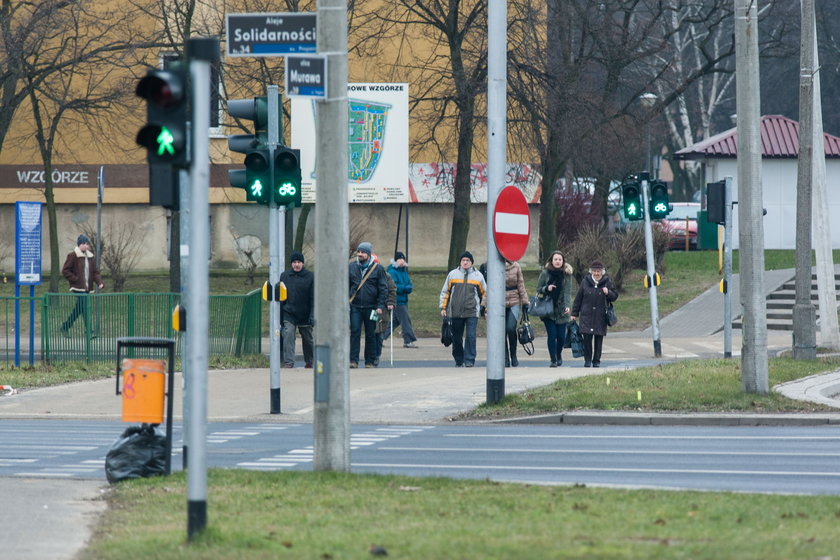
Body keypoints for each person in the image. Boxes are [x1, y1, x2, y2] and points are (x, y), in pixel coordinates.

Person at [439, 251, 486, 367]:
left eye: (468, 260)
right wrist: (443, 307)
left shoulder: (478, 276)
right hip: (455, 312)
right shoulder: (453, 275)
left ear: (472, 263)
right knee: (457, 338)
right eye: (463, 260)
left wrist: (485, 309)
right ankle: (459, 359)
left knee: (471, 337)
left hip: (472, 312)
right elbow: (445, 292)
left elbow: (485, 294)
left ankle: (470, 359)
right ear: (460, 262)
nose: (465, 262)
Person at [571, 260, 618, 368]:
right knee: (587, 339)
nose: (597, 273)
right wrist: (574, 313)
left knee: (598, 340)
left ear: (602, 272)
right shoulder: (585, 282)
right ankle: (587, 360)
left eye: (599, 271)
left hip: (600, 316)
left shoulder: (607, 282)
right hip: (586, 315)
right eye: (594, 271)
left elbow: (615, 296)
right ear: (591, 272)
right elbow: (578, 299)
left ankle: (596, 361)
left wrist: (608, 292)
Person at [348, 242, 388, 368]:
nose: (359, 254)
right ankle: (353, 360)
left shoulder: (378, 269)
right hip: (355, 306)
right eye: (358, 252)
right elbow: (346, 284)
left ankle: (369, 361)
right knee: (355, 332)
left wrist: (380, 306)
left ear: (368, 254)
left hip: (372, 307)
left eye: (362, 252)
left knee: (371, 334)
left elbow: (383, 288)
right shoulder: (351, 267)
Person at [535, 250, 574, 367]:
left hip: (561, 309)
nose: (557, 261)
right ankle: (553, 359)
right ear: (551, 261)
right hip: (548, 309)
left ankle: (558, 354)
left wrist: (568, 306)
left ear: (563, 261)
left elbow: (568, 292)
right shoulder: (545, 273)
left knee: (561, 337)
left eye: (560, 259)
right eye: (555, 259)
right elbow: (538, 289)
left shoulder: (567, 275)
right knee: (552, 336)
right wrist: (547, 288)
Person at [60, 234, 104, 335]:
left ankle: (65, 327)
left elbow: (95, 272)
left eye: (87, 243)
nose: (86, 245)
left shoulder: (90, 257)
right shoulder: (73, 255)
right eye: (84, 243)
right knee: (84, 307)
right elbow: (65, 270)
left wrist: (99, 283)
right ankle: (89, 330)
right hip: (77, 287)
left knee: (79, 308)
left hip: (87, 288)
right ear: (79, 244)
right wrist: (75, 279)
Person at [279, 251, 314, 369]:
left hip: (305, 312)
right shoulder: (284, 276)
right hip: (289, 312)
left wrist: (312, 315)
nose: (296, 265)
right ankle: (289, 361)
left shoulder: (310, 276)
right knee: (288, 334)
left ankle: (310, 360)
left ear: (303, 263)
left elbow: (313, 298)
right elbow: (281, 297)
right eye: (294, 262)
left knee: (308, 339)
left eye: (299, 262)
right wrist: (280, 316)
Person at [384, 251, 418, 348]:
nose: (402, 261)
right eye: (399, 259)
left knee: (395, 321)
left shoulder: (404, 272)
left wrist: (409, 288)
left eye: (403, 259)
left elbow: (409, 283)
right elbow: (393, 286)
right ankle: (408, 340)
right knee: (405, 320)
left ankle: (380, 336)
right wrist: (404, 288)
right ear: (395, 260)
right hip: (396, 300)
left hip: (403, 300)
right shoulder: (392, 272)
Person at [503, 260, 529, 367]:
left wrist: (525, 301)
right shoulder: (495, 265)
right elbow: (490, 285)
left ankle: (513, 355)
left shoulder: (516, 266)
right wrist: (484, 304)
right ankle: (505, 357)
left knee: (510, 328)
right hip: (500, 301)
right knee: (501, 331)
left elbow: (521, 284)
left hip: (514, 300)